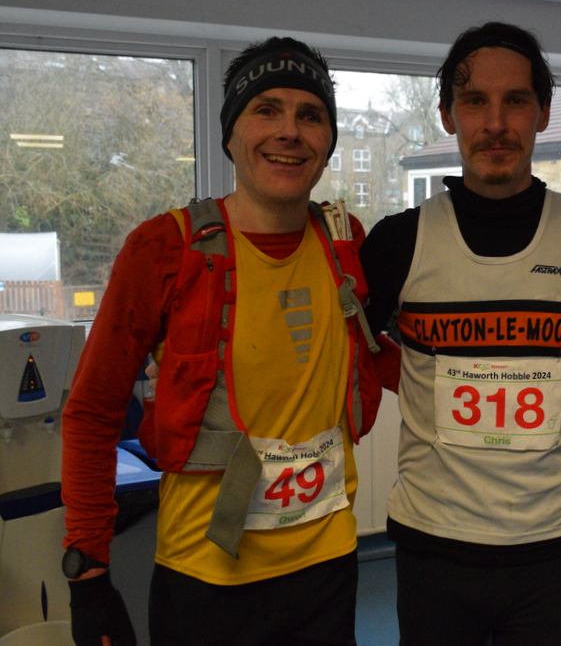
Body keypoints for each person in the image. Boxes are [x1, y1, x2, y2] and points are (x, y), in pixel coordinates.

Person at [60, 36, 398, 646]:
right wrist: (87, 570)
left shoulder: (347, 243)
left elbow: (387, 359)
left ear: (327, 145)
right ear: (232, 134)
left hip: (327, 565)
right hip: (207, 575)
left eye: (310, 115)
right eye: (266, 110)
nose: (289, 131)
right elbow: (92, 412)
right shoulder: (165, 249)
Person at [359, 21, 561, 646]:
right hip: (432, 550)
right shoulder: (397, 243)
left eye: (515, 100)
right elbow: (344, 359)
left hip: (548, 554)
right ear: (447, 115)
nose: (495, 122)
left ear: (543, 112)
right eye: (474, 101)